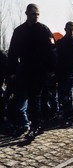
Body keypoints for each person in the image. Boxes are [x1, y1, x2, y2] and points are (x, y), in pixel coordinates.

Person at [8, 4, 57, 139]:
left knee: (35, 98)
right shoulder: (19, 31)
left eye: (37, 14)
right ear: (27, 14)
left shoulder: (44, 30)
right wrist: (11, 71)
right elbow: (12, 52)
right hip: (25, 69)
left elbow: (52, 51)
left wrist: (52, 70)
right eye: (33, 14)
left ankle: (35, 125)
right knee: (24, 98)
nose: (35, 16)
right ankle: (31, 124)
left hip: (40, 70)